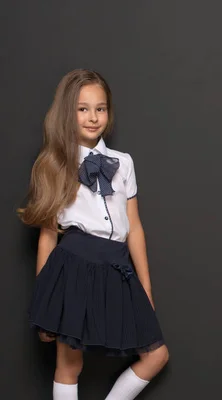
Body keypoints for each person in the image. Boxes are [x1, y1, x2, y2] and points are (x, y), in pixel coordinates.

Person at [18, 69, 169, 399]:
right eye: (83, 109)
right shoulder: (54, 163)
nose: (92, 117)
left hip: (117, 268)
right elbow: (47, 235)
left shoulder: (123, 163)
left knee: (156, 355)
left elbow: (135, 228)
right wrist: (46, 299)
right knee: (70, 364)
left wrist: (145, 285)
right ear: (68, 112)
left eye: (100, 108)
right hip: (74, 266)